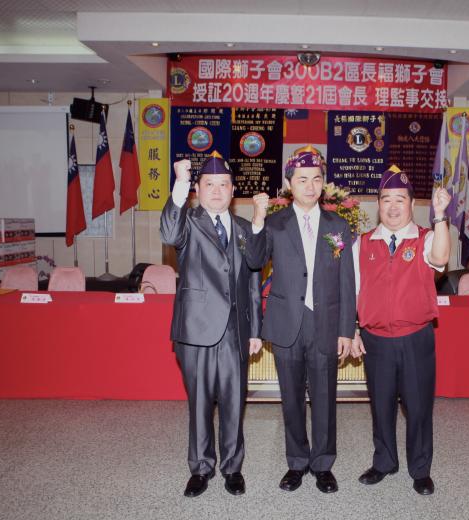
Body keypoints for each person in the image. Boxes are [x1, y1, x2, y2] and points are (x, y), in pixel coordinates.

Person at [247, 145, 356, 494]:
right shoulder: (275, 224)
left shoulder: (339, 225)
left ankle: (323, 464)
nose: (310, 186)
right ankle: (296, 462)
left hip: (326, 322)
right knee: (291, 397)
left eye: (316, 179)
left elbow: (347, 281)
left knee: (324, 396)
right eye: (302, 179)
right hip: (287, 322)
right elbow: (254, 260)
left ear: (323, 183)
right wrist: (257, 220)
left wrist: (347, 329)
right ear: (290, 184)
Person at [160, 150, 263, 498]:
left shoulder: (245, 229)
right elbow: (169, 233)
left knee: (234, 402)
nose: (217, 191)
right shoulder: (187, 222)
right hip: (197, 330)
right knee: (200, 403)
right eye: (209, 184)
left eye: (223, 184)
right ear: (197, 189)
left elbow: (253, 282)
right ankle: (201, 468)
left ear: (233, 190)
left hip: (235, 330)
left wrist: (256, 330)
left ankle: (233, 467)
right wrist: (179, 184)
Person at [351, 165, 452, 496]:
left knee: (418, 407)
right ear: (378, 204)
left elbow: (441, 257)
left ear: (411, 203)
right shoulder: (363, 243)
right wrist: (352, 329)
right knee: (381, 406)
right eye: (386, 200)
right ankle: (384, 462)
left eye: (400, 199)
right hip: (376, 339)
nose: (393, 207)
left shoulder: (425, 238)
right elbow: (353, 291)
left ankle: (420, 469)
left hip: (415, 339)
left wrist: (440, 215)